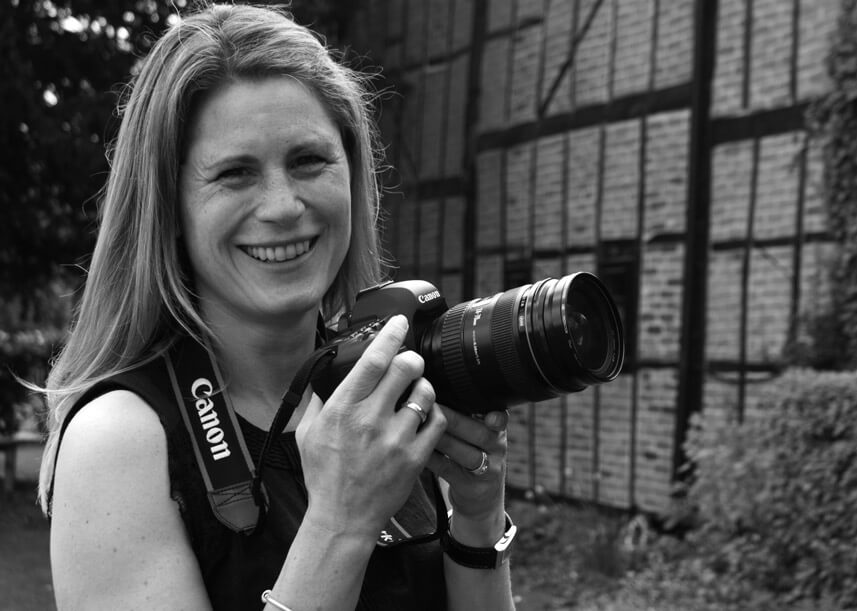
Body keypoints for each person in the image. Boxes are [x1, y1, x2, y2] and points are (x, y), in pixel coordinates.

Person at [37, 4, 515, 610]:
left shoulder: (381, 394)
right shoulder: (121, 440)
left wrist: (477, 521)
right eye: (235, 173)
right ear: (169, 210)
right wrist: (340, 523)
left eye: (308, 161)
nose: (284, 205)